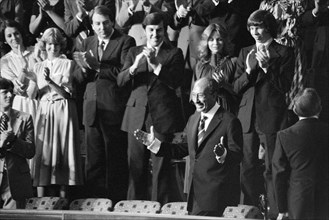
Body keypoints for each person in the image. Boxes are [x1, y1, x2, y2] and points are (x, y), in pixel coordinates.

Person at [134, 77, 243, 216]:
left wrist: (224, 155)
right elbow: (183, 148)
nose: (196, 100)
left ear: (214, 95)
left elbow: (238, 156)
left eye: (201, 95)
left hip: (217, 197)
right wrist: (154, 144)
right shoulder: (193, 118)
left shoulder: (230, 121)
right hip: (194, 196)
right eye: (193, 95)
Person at [117, 12, 184, 204]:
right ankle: (132, 211)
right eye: (151, 30)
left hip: (162, 117)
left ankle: (158, 211)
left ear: (165, 30)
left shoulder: (174, 53)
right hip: (136, 115)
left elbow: (176, 82)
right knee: (135, 168)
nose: (155, 34)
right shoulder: (133, 52)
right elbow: (120, 81)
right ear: (145, 31)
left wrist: (156, 67)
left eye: (159, 30)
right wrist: (133, 67)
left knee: (161, 169)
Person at [233, 10, 294, 218]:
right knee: (247, 170)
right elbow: (235, 88)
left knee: (272, 170)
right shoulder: (244, 52)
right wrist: (249, 71)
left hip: (272, 117)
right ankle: (253, 212)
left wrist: (268, 69)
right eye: (251, 27)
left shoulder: (285, 52)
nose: (255, 32)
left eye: (258, 27)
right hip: (247, 118)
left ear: (268, 27)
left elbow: (285, 87)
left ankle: (276, 213)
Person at [73, 5, 135, 203]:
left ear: (112, 21)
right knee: (93, 160)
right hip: (91, 107)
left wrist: (98, 66)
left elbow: (123, 75)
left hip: (113, 107)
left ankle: (116, 204)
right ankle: (93, 203)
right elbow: (78, 78)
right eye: (97, 24)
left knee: (115, 159)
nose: (102, 27)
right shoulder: (87, 42)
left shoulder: (125, 41)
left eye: (105, 23)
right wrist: (83, 69)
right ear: (92, 25)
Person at [32, 27, 83, 198]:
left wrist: (50, 82)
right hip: (45, 110)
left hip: (63, 109)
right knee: (43, 152)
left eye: (56, 45)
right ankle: (39, 202)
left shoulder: (68, 63)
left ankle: (64, 200)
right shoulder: (38, 66)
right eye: (49, 45)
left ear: (61, 46)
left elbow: (67, 93)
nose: (52, 48)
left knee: (63, 152)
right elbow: (34, 94)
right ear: (44, 45)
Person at [272, 88, 328, 220]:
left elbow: (278, 175)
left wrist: (282, 208)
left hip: (298, 202)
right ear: (319, 108)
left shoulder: (284, 136)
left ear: (295, 110)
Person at [0, 78, 35, 209]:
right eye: (5, 92)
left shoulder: (25, 118)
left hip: (15, 181)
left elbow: (31, 151)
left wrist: (14, 140)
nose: (10, 95)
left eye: (11, 92)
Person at [193, 22, 238, 113]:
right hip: (205, 109)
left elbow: (239, 91)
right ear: (206, 42)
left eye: (219, 39)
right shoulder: (200, 65)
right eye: (211, 39)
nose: (215, 43)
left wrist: (224, 84)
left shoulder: (234, 62)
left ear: (225, 41)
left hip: (227, 109)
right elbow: (194, 93)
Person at [0, 19, 38, 122]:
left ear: (21, 34)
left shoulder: (35, 51)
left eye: (16, 33)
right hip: (21, 105)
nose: (14, 38)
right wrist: (23, 67)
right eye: (9, 36)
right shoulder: (4, 61)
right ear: (5, 40)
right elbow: (17, 89)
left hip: (41, 101)